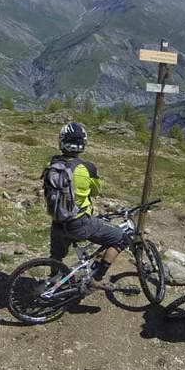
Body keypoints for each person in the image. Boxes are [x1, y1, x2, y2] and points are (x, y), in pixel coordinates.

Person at [46, 122, 130, 285]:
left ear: (61, 142)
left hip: (57, 221)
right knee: (122, 238)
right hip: (79, 223)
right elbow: (95, 192)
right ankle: (97, 277)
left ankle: (53, 279)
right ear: (83, 144)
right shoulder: (88, 168)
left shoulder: (51, 164)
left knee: (56, 256)